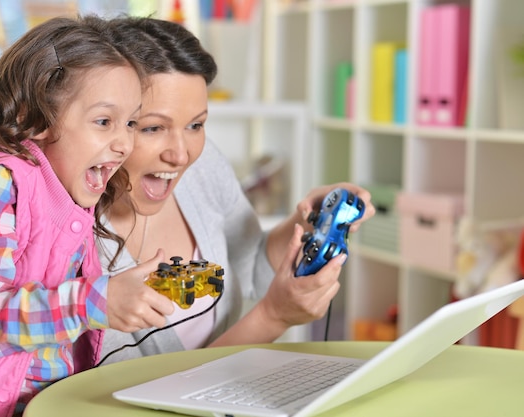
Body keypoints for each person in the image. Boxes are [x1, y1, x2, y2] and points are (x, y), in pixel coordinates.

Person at [0, 15, 173, 416]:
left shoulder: (66, 194)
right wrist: (91, 303)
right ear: (34, 119)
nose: (123, 143)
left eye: (130, 123)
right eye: (103, 122)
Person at [94, 16, 375, 365]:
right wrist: (274, 317)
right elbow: (138, 396)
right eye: (153, 128)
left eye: (196, 124)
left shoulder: (203, 164)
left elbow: (252, 264)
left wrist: (305, 223)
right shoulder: (67, 234)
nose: (181, 154)